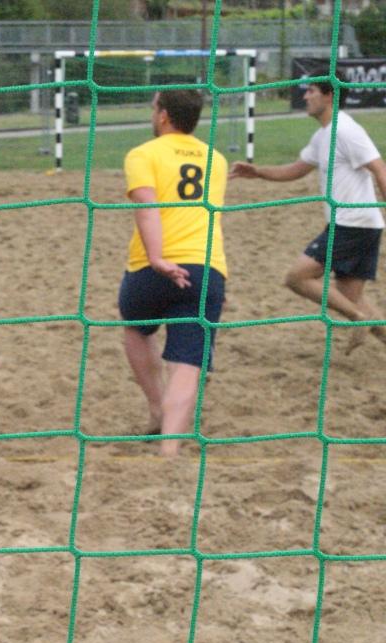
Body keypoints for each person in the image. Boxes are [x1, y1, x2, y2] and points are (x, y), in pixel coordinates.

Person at [230, 69, 386, 351]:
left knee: (297, 277)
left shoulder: (346, 130)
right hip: (360, 224)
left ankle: (356, 318)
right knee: (351, 295)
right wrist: (258, 172)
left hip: (353, 223)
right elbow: (296, 169)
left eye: (311, 90)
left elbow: (380, 169)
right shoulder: (323, 135)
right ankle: (361, 316)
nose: (305, 96)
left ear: (329, 95)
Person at [118, 89, 228, 458]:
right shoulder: (216, 159)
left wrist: (157, 258)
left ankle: (156, 407)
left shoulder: (142, 154)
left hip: (151, 267)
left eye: (154, 107)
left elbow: (147, 207)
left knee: (136, 328)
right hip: (205, 267)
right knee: (188, 363)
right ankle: (170, 448)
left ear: (163, 115)